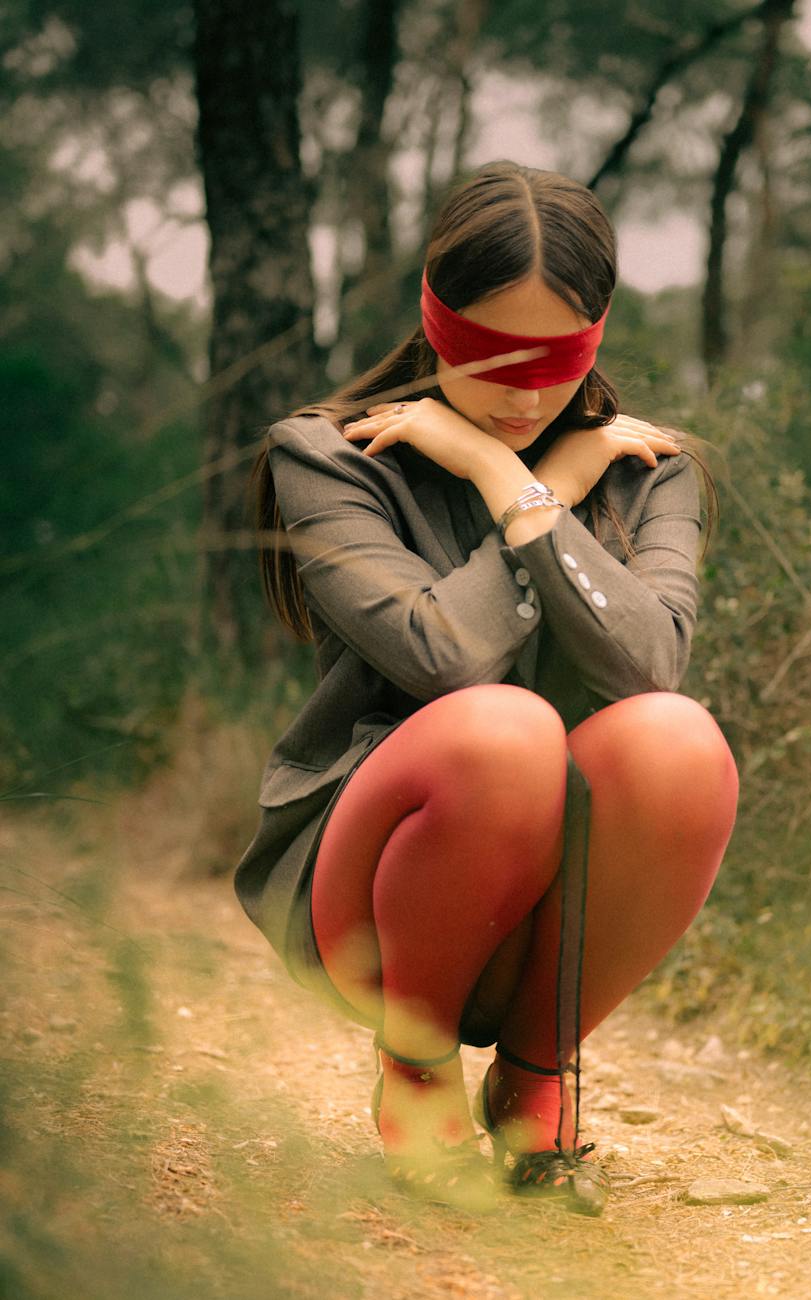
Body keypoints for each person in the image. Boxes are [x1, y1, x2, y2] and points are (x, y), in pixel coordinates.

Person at [235, 160, 739, 1217]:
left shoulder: (649, 468)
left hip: (557, 917)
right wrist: (525, 487)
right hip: (370, 892)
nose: (521, 393)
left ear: (598, 332)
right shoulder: (327, 459)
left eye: (553, 359)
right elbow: (442, 660)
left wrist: (522, 487)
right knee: (501, 730)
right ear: (432, 318)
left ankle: (535, 1077)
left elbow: (650, 665)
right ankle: (415, 1070)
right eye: (486, 355)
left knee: (677, 739)